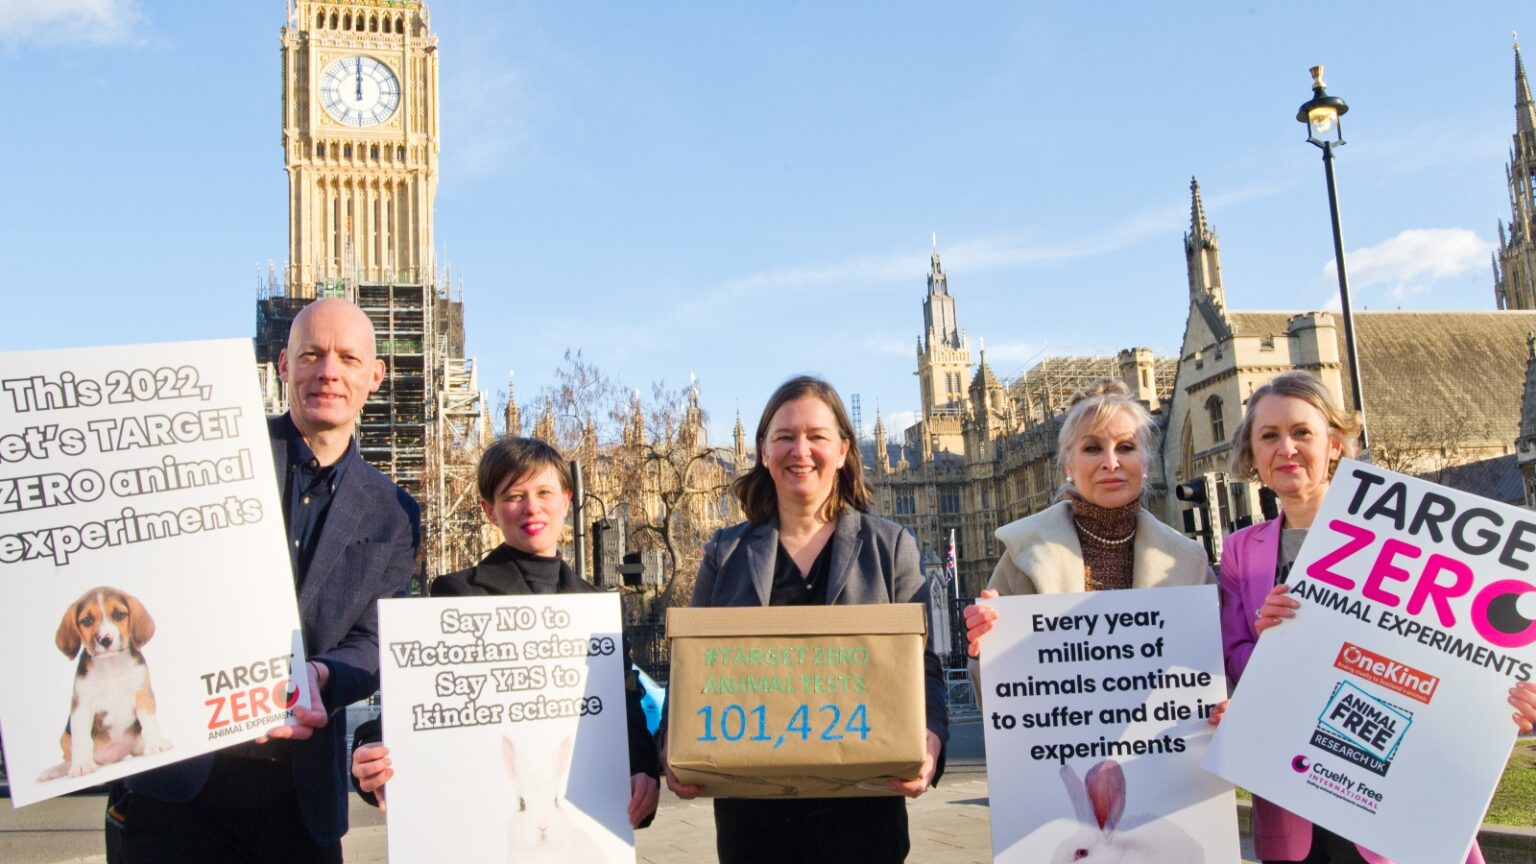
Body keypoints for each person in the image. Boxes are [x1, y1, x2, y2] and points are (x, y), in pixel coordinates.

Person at [116, 297, 421, 862]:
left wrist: (321, 674)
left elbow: (376, 638)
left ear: (374, 376)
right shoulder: (211, 459)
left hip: (298, 799)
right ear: (283, 366)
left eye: (348, 359)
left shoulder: (394, 512)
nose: (328, 372)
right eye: (312, 355)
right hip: (181, 785)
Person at [1220, 371, 1536, 864]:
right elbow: (1233, 658)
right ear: (1253, 455)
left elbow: (1460, 651)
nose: (1287, 448)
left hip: (1398, 803)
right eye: (1269, 436)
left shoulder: (1409, 532)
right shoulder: (1241, 550)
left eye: (1302, 432)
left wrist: (1508, 702)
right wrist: (1267, 639)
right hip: (1293, 806)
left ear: (1335, 444)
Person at [662, 375, 948, 864]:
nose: (801, 450)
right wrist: (672, 739)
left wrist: (933, 740)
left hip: (862, 818)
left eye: (817, 436)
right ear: (762, 451)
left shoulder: (889, 546)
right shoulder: (725, 552)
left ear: (843, 450)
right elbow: (690, 667)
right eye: (785, 436)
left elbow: (923, 668)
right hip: (754, 821)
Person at [349, 436, 661, 828]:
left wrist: (644, 770)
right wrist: (368, 752)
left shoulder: (599, 607)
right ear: (489, 510)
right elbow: (427, 704)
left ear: (566, 500)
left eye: (544, 492)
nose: (532, 507)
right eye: (514, 495)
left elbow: (625, 705)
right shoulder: (457, 594)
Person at [963, 378, 1211, 668]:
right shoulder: (1022, 557)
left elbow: (1218, 670)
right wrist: (986, 645)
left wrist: (1225, 707)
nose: (1111, 462)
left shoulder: (1190, 561)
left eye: (1126, 447)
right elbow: (1002, 695)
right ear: (1069, 464)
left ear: (1145, 462)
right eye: (1093, 448)